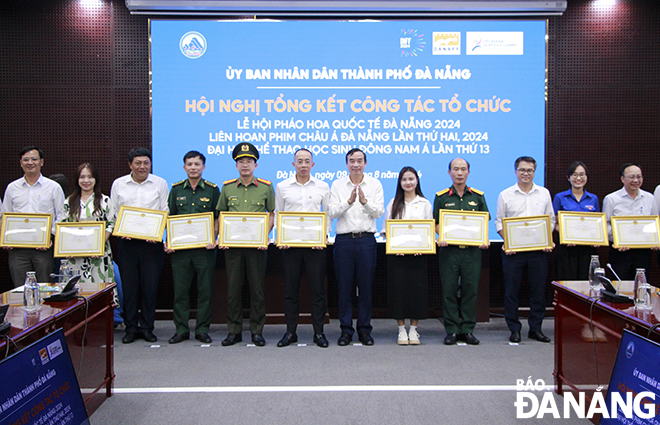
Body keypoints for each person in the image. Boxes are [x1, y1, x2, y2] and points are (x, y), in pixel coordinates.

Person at [217, 142, 274, 347]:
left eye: (249, 161)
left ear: (255, 165)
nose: (245, 165)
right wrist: (220, 238)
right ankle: (234, 331)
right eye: (241, 161)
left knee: (257, 289)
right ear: (236, 165)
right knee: (233, 290)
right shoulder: (228, 187)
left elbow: (271, 214)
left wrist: (264, 236)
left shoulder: (266, 188)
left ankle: (257, 331)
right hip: (232, 248)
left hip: (257, 248)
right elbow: (221, 216)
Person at [110, 147, 169, 344]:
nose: (142, 166)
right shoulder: (119, 184)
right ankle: (131, 328)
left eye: (146, 163)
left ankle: (147, 328)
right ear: (130, 165)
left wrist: (158, 232)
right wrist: (121, 230)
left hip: (152, 244)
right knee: (130, 287)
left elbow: (165, 211)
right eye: (138, 163)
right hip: (126, 243)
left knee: (150, 287)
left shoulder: (160, 183)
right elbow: (114, 213)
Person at [274, 149, 331, 348]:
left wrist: (323, 237)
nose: (304, 164)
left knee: (317, 291)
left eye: (307, 161)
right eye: (300, 161)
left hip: (315, 247)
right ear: (294, 164)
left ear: (313, 165)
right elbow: (278, 212)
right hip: (291, 247)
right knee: (291, 291)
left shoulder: (323, 186)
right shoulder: (282, 186)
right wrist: (280, 238)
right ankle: (290, 332)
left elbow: (328, 214)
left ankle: (319, 333)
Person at [495, 156, 554, 344]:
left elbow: (550, 220)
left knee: (538, 292)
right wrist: (509, 241)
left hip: (538, 251)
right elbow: (498, 222)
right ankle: (514, 329)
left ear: (534, 172)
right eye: (522, 170)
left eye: (529, 170)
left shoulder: (544, 193)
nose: (526, 173)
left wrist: (546, 239)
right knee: (511, 292)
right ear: (515, 172)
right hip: (514, 253)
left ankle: (535, 329)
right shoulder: (505, 194)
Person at [328, 148, 384, 346]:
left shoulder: (375, 184)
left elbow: (379, 212)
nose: (356, 164)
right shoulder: (337, 185)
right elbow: (332, 212)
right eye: (352, 161)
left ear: (365, 163)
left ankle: (364, 330)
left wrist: (365, 202)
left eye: (359, 161)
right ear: (347, 164)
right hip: (344, 241)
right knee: (344, 288)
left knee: (366, 287)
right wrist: (349, 202)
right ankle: (345, 330)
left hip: (366, 241)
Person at [165, 151, 220, 345]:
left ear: (203, 167)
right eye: (190, 164)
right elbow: (170, 218)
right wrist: (169, 241)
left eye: (197, 164)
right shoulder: (176, 189)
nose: (194, 167)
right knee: (181, 291)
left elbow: (217, 217)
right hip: (180, 251)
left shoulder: (213, 190)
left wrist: (213, 238)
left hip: (204, 250)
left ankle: (202, 329)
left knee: (204, 290)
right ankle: (181, 329)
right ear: (184, 167)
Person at [434, 158, 489, 346]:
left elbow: (484, 221)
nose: (459, 173)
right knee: (448, 291)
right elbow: (435, 222)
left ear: (468, 173)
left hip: (472, 253)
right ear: (449, 173)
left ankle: (467, 329)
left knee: (470, 291)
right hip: (449, 252)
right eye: (455, 169)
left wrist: (483, 239)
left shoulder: (478, 196)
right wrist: (443, 235)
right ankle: (451, 330)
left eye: (463, 169)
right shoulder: (442, 197)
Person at [3, 146, 65, 286]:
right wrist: (6, 236)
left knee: (46, 288)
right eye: (26, 160)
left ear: (41, 162)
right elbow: (5, 216)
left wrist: (49, 237)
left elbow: (61, 216)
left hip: (43, 249)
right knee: (20, 289)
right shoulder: (12, 188)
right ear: (21, 162)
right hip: (17, 250)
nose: (30, 162)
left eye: (34, 159)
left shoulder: (53, 187)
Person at [384, 166, 432, 345]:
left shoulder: (425, 203)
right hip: (398, 255)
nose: (408, 182)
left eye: (411, 179)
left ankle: (414, 330)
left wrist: (424, 246)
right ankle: (401, 330)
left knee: (417, 292)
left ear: (417, 181)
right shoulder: (393, 203)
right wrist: (396, 246)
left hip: (419, 255)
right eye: (404, 179)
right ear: (400, 182)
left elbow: (428, 230)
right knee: (399, 292)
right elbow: (386, 231)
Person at [62, 163, 115, 283]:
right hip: (75, 255)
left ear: (95, 179)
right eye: (82, 177)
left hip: (99, 255)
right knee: (77, 292)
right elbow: (63, 226)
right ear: (77, 179)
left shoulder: (105, 201)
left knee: (100, 290)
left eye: (90, 177)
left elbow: (110, 225)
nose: (86, 180)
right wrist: (67, 249)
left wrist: (99, 246)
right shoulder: (68, 202)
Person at [605, 163, 656, 280]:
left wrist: (655, 240)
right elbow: (606, 225)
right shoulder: (612, 199)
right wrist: (617, 240)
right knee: (620, 287)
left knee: (642, 286)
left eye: (639, 177)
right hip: (620, 252)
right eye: (632, 177)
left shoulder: (650, 198)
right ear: (622, 179)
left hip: (643, 252)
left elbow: (654, 223)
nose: (636, 180)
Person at [552, 161, 600, 280]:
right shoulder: (560, 197)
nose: (578, 178)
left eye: (582, 174)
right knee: (567, 282)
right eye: (574, 175)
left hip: (587, 248)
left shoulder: (593, 198)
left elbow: (598, 223)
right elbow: (554, 223)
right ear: (568, 178)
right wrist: (565, 235)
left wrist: (598, 238)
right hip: (567, 247)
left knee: (586, 281)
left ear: (586, 177)